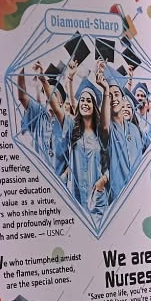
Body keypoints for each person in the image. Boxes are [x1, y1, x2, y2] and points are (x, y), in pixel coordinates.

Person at [60, 74, 112, 220]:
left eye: (89, 101)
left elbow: (109, 163)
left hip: (95, 196)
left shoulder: (101, 133)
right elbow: (66, 106)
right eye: (82, 100)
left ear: (94, 106)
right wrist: (69, 79)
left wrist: (103, 180)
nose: (84, 103)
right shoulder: (73, 129)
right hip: (75, 194)